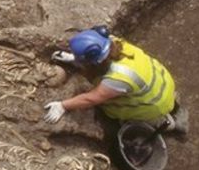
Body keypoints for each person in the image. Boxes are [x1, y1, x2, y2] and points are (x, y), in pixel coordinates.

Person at [43, 26, 188, 134]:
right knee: (153, 94)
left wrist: (63, 105)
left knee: (119, 114)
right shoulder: (114, 42)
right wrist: (73, 59)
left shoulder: (118, 78)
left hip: (153, 105)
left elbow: (91, 99)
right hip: (162, 83)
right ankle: (174, 104)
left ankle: (168, 123)